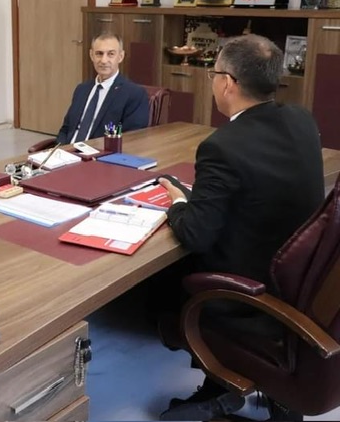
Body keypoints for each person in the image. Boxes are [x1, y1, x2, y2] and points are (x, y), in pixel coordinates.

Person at [157, 34, 325, 420]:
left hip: (251, 294)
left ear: (228, 83)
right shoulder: (301, 119)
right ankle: (223, 385)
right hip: (303, 281)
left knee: (166, 276)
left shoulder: (222, 146)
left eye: (213, 73)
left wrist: (179, 202)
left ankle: (220, 376)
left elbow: (196, 233)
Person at [55, 32, 149, 144]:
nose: (104, 60)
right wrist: (60, 150)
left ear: (120, 56)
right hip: (67, 151)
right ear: (91, 55)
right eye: (99, 54)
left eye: (111, 54)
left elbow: (131, 139)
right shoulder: (81, 89)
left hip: (100, 153)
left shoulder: (134, 94)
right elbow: (65, 129)